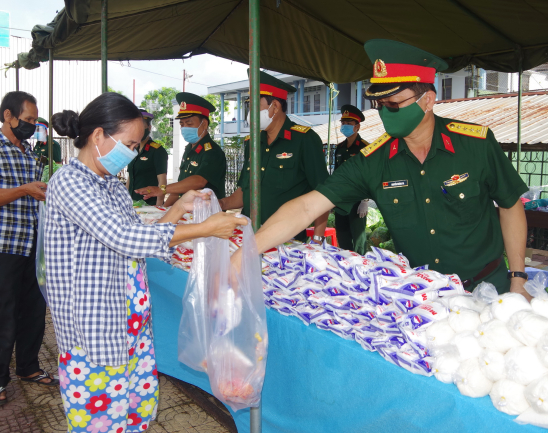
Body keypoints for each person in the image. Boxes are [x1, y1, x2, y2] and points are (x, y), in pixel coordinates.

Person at [236, 40, 530, 298]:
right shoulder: (373, 160)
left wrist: (517, 278)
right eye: (379, 105)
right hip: (422, 297)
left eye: (393, 104)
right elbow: (305, 208)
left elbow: (509, 204)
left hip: (487, 290)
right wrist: (246, 253)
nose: (384, 113)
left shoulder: (475, 144)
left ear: (427, 100)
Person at [46, 92, 246, 433]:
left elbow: (138, 236)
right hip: (95, 327)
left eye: (137, 146)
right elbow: (123, 237)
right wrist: (204, 228)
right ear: (98, 136)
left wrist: (179, 209)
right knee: (101, 419)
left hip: (129, 323)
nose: (133, 153)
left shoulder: (108, 185)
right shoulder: (69, 182)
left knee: (134, 413)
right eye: (129, 144)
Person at [0, 91, 58, 406]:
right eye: (28, 119)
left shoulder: (31, 153)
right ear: (8, 115)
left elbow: (37, 196)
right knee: (5, 314)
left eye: (34, 120)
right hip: (5, 247)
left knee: (34, 311)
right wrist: (25, 189)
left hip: (35, 245)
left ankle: (28, 368)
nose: (32, 125)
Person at [219, 70, 330, 243]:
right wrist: (222, 204)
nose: (250, 113)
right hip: (248, 235)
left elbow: (323, 195)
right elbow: (245, 191)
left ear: (275, 107)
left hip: (286, 240)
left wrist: (317, 239)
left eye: (255, 106)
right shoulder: (252, 142)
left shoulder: (304, 140)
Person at [135, 93, 226, 207]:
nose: (184, 128)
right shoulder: (189, 149)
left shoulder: (212, 152)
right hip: (189, 212)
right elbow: (179, 189)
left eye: (189, 123)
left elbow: (199, 181)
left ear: (204, 124)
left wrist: (162, 190)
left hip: (208, 212)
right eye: (182, 124)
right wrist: (163, 209)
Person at [334, 104, 370, 254]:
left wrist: (365, 201)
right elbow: (336, 174)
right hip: (341, 199)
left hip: (357, 200)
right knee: (342, 237)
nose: (345, 126)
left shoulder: (365, 147)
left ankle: (360, 268)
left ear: (357, 127)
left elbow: (369, 175)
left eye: (349, 124)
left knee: (358, 239)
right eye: (343, 123)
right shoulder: (339, 148)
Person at [127, 109, 169, 206]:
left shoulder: (157, 151)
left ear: (149, 128)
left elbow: (162, 181)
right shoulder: (133, 149)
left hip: (150, 205)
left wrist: (159, 206)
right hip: (132, 203)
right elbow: (130, 178)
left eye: (142, 126)